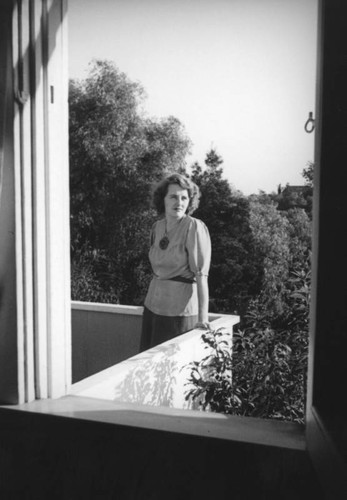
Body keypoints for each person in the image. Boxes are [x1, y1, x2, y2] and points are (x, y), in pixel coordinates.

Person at [140, 173, 211, 351]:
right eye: (173, 197)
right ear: (162, 200)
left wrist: (203, 318)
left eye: (184, 198)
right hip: (152, 307)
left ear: (190, 201)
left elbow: (201, 276)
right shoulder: (157, 227)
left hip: (178, 312)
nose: (179, 202)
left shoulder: (193, 227)